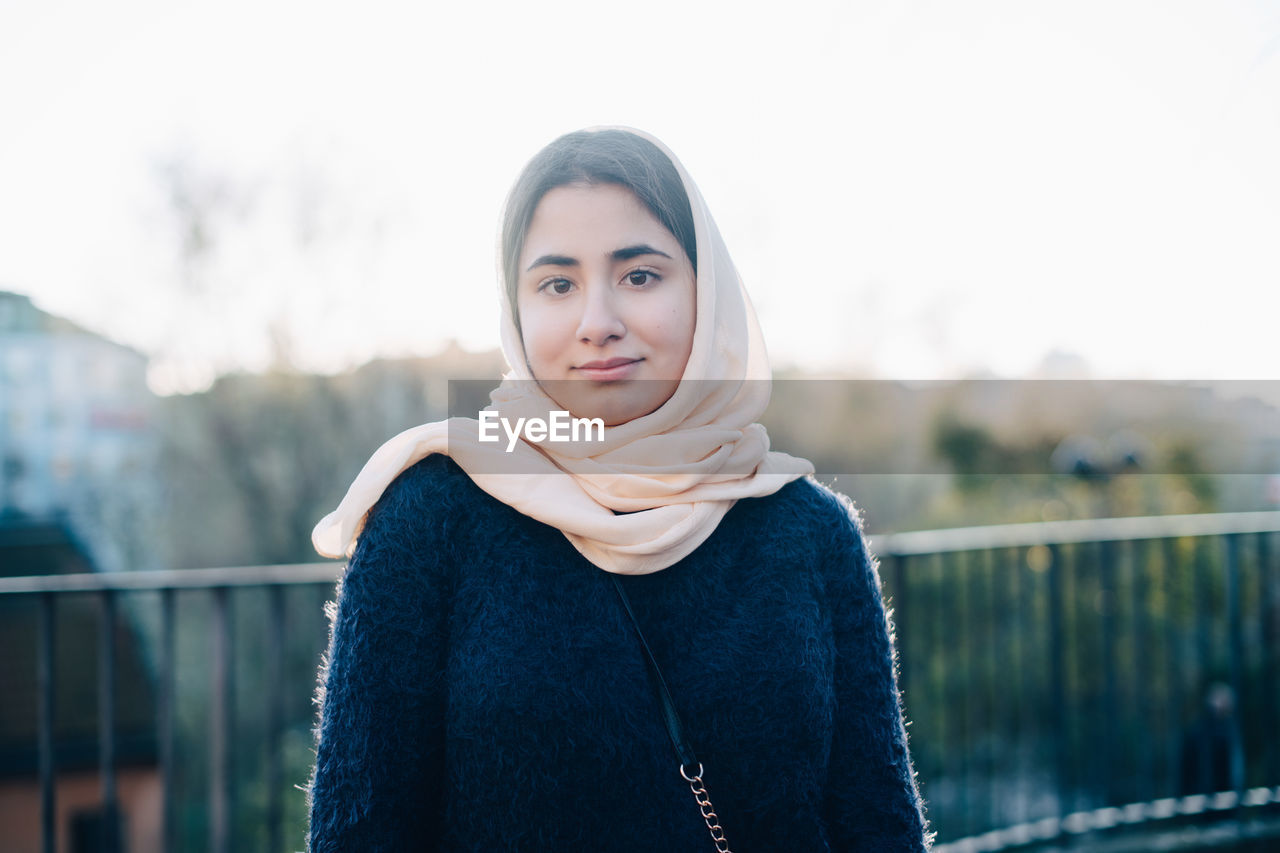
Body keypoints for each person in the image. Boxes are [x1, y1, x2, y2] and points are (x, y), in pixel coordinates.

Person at [305, 125, 933, 852]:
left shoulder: (809, 533)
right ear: (515, 307)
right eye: (557, 284)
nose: (597, 323)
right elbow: (361, 829)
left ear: (707, 291)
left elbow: (877, 822)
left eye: (639, 275)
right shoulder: (432, 515)